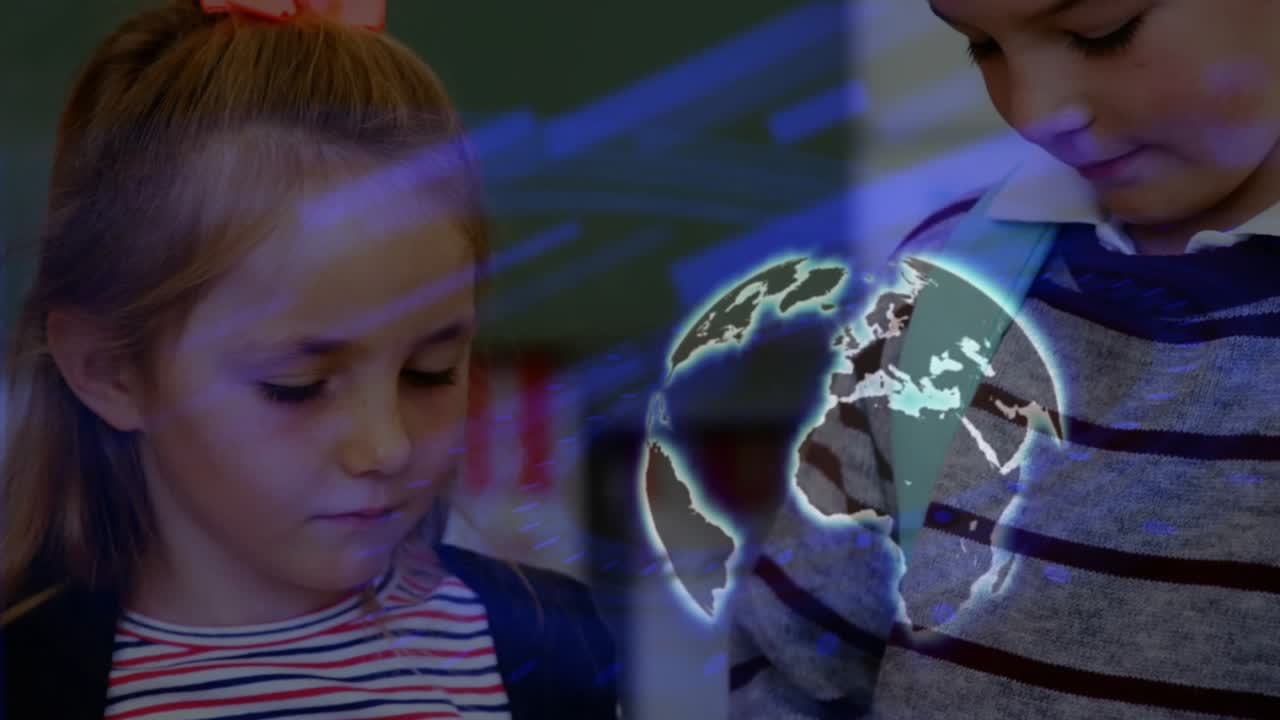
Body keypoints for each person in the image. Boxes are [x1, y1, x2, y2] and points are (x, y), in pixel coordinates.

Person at [0, 2, 617, 718]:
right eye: (296, 387)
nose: (386, 446)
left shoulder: (558, 648)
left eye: (431, 370)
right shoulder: (23, 682)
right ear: (109, 369)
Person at [729, 0, 1280, 717]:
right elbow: (799, 668)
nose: (1034, 109)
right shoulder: (959, 280)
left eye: (1101, 32)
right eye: (981, 47)